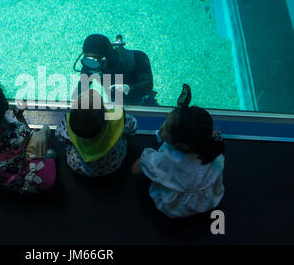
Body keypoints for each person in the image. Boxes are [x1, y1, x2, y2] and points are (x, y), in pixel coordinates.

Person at [132, 84, 225, 218]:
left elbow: (135, 170)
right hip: (208, 202)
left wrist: (145, 159)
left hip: (175, 209)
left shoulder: (166, 160)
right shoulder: (211, 151)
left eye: (167, 127)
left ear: (183, 145)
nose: (161, 127)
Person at [56, 89, 137, 177]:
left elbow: (59, 135)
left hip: (78, 166)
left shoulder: (66, 124)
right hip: (112, 165)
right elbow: (133, 127)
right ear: (106, 113)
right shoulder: (117, 120)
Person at [73, 34, 157, 106]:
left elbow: (148, 85)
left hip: (142, 101)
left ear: (106, 58)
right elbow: (82, 88)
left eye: (97, 61)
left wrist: (128, 88)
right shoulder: (90, 64)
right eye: (88, 60)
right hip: (115, 102)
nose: (93, 66)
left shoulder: (136, 58)